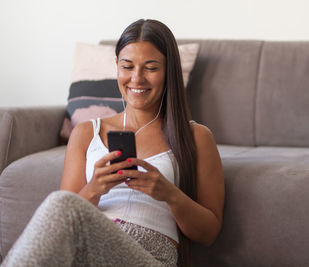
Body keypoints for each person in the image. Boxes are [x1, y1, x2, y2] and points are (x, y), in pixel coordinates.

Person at [1, 19, 224, 267]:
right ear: (116, 66)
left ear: (169, 71)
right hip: (91, 246)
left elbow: (209, 233)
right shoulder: (87, 132)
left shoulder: (197, 137)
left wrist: (169, 194)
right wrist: (95, 188)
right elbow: (64, 222)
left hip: (150, 254)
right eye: (127, 66)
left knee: (60, 204)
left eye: (151, 68)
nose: (137, 79)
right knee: (61, 205)